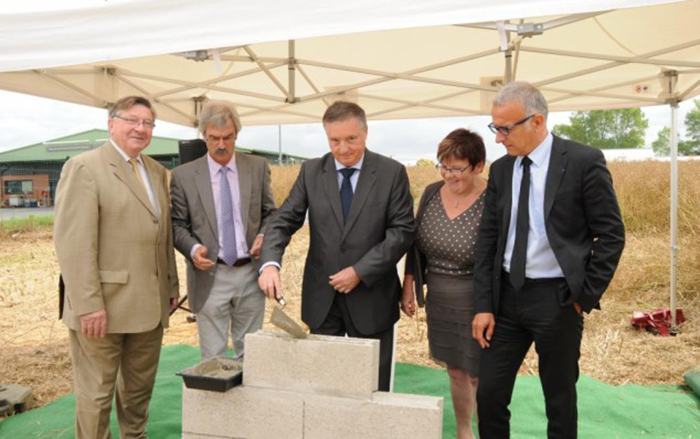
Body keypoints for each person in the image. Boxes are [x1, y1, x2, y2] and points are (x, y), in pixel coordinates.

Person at [472, 82, 625, 438]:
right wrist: (484, 304)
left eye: (505, 128)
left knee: (559, 398)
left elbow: (612, 235)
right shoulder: (501, 171)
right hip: (506, 300)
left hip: (557, 300)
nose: (498, 138)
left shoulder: (583, 162)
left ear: (537, 121)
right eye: (495, 127)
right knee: (490, 394)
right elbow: (488, 241)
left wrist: (583, 296)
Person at [258, 101, 415, 391]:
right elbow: (283, 221)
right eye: (335, 140)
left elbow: (402, 232)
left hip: (372, 297)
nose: (343, 149)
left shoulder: (391, 173)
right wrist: (269, 263)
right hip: (323, 299)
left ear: (365, 133)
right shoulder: (311, 171)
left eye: (351, 139)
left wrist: (360, 271)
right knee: (324, 384)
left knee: (372, 388)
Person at [54, 96, 180, 438]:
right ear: (112, 124)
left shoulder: (155, 171)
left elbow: (162, 234)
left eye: (148, 123)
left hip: (149, 306)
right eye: (132, 120)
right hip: (102, 309)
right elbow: (74, 244)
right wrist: (88, 305)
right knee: (96, 395)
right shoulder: (84, 167)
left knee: (138, 393)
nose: (141, 128)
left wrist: (170, 287)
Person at [170, 100, 276, 361]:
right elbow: (177, 224)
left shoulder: (257, 167)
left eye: (227, 138)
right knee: (213, 358)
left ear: (236, 134)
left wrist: (264, 235)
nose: (220, 145)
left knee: (250, 355)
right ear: (204, 135)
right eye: (214, 138)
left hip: (251, 273)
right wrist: (193, 248)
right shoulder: (184, 176)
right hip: (209, 276)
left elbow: (271, 213)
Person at [402, 128, 486, 439]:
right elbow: (414, 244)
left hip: (478, 299)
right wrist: (409, 284)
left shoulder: (493, 199)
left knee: (479, 373)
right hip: (439, 296)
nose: (448, 174)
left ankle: (487, 429)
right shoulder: (431, 192)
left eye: (457, 168)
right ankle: (464, 431)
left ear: (478, 166)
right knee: (455, 369)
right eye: (444, 166)